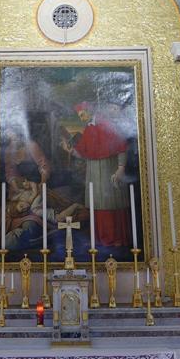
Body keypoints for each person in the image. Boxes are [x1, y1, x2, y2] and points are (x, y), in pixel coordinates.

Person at [61, 102, 132, 249]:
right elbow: (86, 153)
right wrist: (70, 150)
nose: (81, 118)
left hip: (108, 169)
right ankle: (100, 238)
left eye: (82, 115)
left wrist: (120, 168)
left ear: (89, 111)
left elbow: (121, 147)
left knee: (111, 204)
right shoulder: (89, 128)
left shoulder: (106, 124)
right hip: (93, 172)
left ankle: (114, 239)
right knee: (98, 205)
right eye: (79, 116)